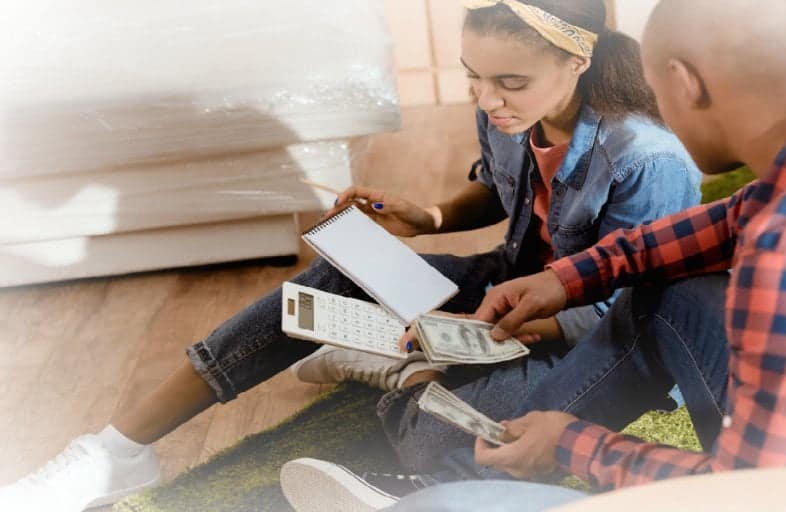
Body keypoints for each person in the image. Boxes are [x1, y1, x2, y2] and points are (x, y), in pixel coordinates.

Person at [281, 0, 786, 510]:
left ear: (683, 84)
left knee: (446, 499)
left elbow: (756, 493)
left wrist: (577, 447)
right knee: (666, 288)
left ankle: (436, 494)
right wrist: (568, 279)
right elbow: (731, 217)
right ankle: (459, 444)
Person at [0, 0, 702, 510]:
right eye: (473, 78)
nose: (487, 99)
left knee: (435, 440)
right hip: (505, 290)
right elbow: (495, 195)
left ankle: (400, 368)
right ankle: (116, 451)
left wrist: (488, 333)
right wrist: (422, 218)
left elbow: (630, 313)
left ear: (577, 59)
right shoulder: (508, 111)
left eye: (508, 83)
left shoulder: (646, 159)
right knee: (333, 279)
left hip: (594, 336)